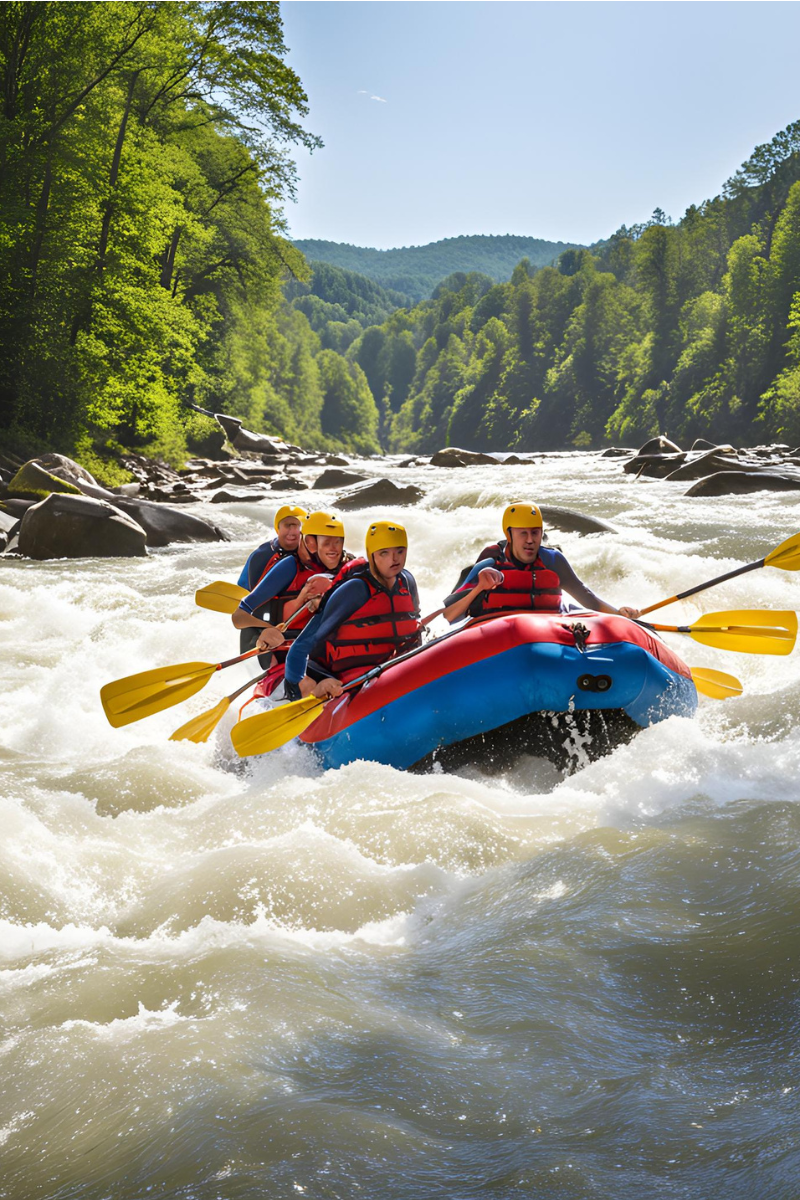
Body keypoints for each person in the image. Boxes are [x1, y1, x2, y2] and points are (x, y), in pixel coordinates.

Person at [283, 520, 421, 702]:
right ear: (372, 556)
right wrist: (295, 688)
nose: (394, 560)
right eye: (384, 553)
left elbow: (413, 627)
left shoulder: (407, 582)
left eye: (400, 551)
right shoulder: (355, 590)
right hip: (341, 676)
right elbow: (301, 646)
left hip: (386, 669)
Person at [442, 502, 641, 623]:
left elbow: (587, 598)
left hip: (548, 635)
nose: (530, 540)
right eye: (523, 534)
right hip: (500, 640)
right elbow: (449, 615)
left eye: (535, 533)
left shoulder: (553, 561)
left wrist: (618, 613)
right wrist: (479, 588)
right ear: (508, 535)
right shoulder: (490, 562)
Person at [232, 511, 352, 687]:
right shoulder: (289, 566)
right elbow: (238, 617)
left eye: (338, 541)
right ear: (310, 542)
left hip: (326, 649)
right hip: (280, 650)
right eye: (327, 542)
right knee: (308, 683)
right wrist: (269, 629)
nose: (334, 549)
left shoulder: (350, 567)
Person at [237, 505, 307, 593]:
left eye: (297, 526)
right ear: (277, 528)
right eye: (287, 525)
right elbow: (246, 590)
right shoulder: (261, 555)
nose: (292, 531)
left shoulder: (313, 553)